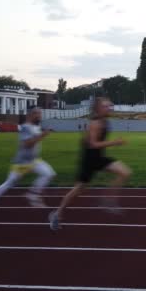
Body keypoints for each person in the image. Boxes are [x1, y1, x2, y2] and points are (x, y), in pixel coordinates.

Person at [49, 97, 131, 230]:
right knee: (78, 190)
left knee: (125, 172)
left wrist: (108, 104)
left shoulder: (105, 120)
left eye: (109, 106)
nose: (109, 108)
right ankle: (57, 214)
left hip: (99, 157)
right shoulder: (95, 123)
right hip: (89, 160)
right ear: (98, 109)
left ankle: (108, 200)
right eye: (105, 106)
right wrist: (114, 143)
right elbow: (93, 144)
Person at [0, 107, 56, 217]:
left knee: (49, 173)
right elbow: (28, 144)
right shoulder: (25, 128)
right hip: (21, 163)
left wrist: (42, 134)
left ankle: (33, 195)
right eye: (37, 114)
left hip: (34, 161)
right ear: (31, 115)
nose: (40, 116)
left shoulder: (36, 126)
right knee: (9, 183)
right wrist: (43, 135)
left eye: (40, 113)